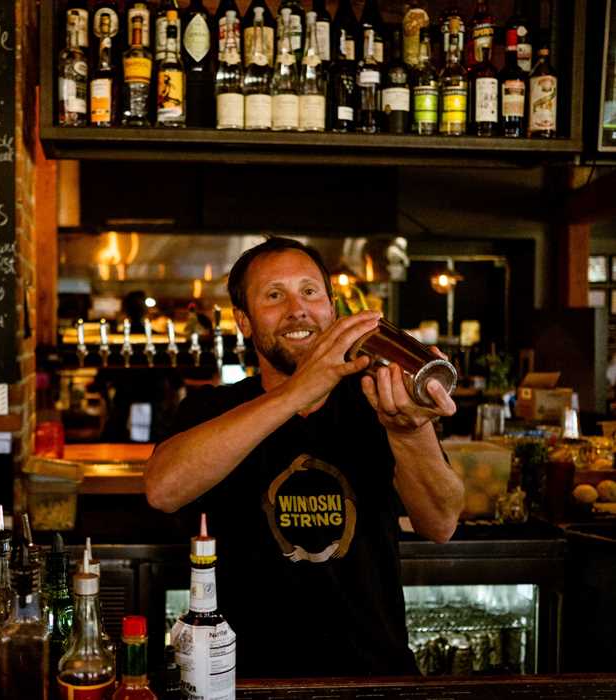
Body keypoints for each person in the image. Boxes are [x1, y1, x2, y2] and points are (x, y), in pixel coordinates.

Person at [145, 237, 463, 678]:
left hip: (374, 676)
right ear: (244, 321)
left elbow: (442, 523)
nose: (298, 308)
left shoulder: (377, 403)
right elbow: (162, 490)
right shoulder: (212, 409)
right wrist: (299, 390)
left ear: (331, 310)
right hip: (250, 679)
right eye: (274, 295)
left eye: (310, 292)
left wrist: (410, 431)